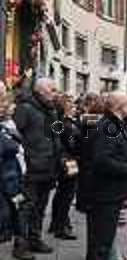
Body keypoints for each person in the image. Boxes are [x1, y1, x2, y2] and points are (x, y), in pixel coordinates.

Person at [81, 92, 127, 260]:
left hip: (109, 195)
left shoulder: (114, 123)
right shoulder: (108, 127)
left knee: (102, 242)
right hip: (104, 196)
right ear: (120, 106)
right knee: (100, 245)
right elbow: (102, 160)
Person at [13, 78, 61, 260]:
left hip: (49, 166)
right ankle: (21, 244)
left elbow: (57, 134)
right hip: (32, 167)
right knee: (27, 206)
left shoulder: (52, 111)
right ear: (41, 91)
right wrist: (29, 157)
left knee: (40, 206)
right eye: (53, 90)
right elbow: (16, 135)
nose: (55, 93)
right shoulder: (26, 108)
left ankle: (35, 238)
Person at [0, 93, 26, 260]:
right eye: (3, 104)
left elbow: (15, 142)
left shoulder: (5, 126)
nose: (8, 108)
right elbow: (9, 147)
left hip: (9, 180)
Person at [49, 95, 80, 240]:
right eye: (71, 105)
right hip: (69, 162)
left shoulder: (62, 122)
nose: (74, 108)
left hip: (65, 160)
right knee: (66, 195)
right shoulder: (66, 124)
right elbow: (72, 145)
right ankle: (62, 226)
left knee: (61, 193)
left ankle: (56, 223)